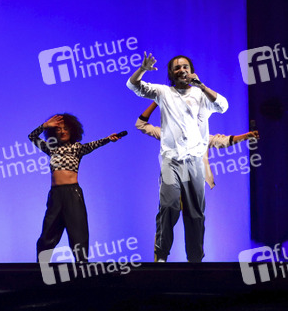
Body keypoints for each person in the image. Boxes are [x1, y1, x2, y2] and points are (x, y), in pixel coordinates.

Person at [127, 53, 228, 262]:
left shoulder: (201, 94)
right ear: (171, 74)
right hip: (171, 161)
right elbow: (133, 85)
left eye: (185, 67)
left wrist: (202, 86)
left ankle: (195, 260)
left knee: (195, 214)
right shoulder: (164, 92)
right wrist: (143, 69)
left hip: (195, 162)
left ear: (191, 71)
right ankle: (161, 256)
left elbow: (223, 106)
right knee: (168, 206)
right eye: (177, 68)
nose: (181, 70)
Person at [29, 114, 121, 262]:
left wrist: (108, 139)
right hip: (56, 195)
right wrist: (45, 125)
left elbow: (94, 144)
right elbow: (32, 136)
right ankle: (41, 267)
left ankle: (81, 264)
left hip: (73, 194)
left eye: (66, 128)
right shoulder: (51, 148)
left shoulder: (77, 148)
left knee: (78, 231)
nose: (62, 132)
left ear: (72, 130)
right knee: (48, 231)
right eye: (58, 129)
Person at [135, 101, 258, 188]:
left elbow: (223, 141)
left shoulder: (201, 137)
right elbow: (141, 124)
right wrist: (156, 102)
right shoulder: (168, 134)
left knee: (194, 215)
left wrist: (246, 136)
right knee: (170, 211)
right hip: (173, 181)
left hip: (194, 182)